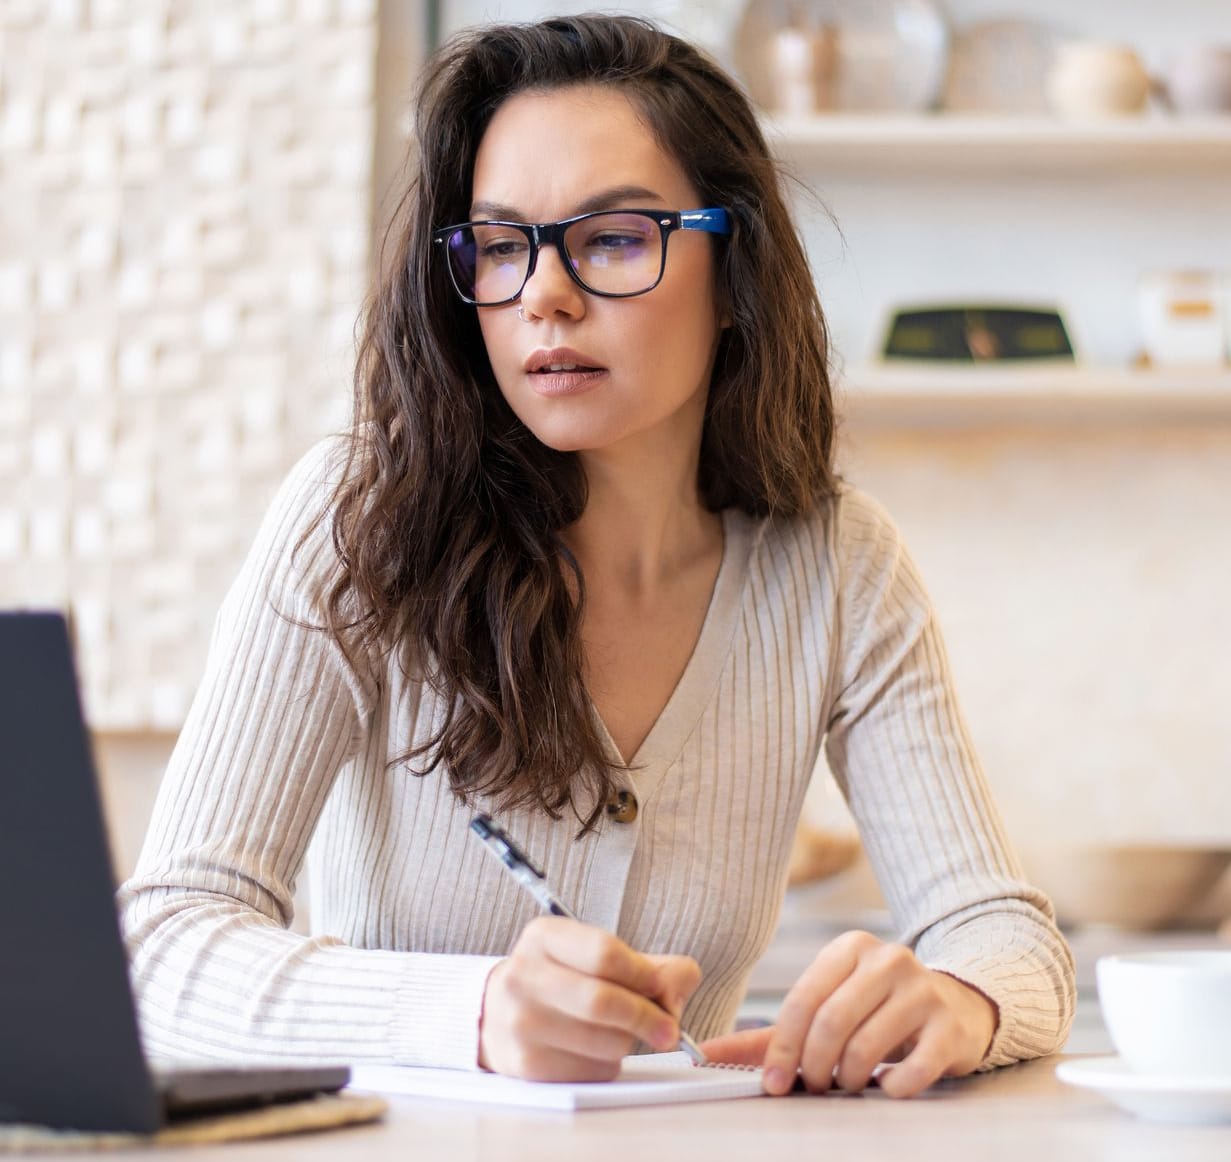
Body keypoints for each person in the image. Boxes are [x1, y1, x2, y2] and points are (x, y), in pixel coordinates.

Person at [117, 13, 1074, 1099]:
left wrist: (959, 998)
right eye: (500, 244)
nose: (545, 294)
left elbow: (1008, 940)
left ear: (734, 268)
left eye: (614, 239)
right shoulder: (357, 521)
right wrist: (471, 1010)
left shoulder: (839, 568)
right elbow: (159, 950)